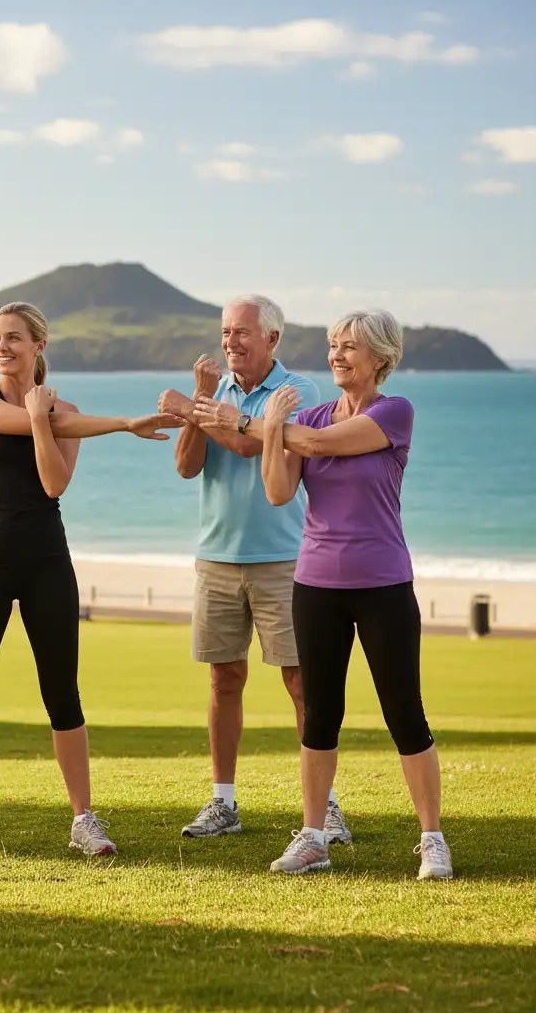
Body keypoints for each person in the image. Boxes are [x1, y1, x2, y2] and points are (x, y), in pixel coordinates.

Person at [0, 301, 184, 859]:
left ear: (39, 346)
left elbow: (53, 483)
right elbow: (42, 420)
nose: (1, 347)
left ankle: (83, 820)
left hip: (46, 562)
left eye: (14, 338)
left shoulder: (69, 413)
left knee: (63, 695)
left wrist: (47, 418)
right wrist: (106, 421)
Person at [193, 309, 452, 880]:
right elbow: (279, 489)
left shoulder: (393, 413)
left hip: (383, 584)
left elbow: (313, 441)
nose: (336, 356)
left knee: (403, 713)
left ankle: (432, 838)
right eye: (333, 346)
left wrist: (248, 422)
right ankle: (313, 838)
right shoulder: (304, 414)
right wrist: (269, 430)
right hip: (315, 586)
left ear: (380, 359)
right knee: (320, 717)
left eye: (349, 348)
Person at [159, 295, 352, 844]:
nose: (230, 342)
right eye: (225, 332)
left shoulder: (300, 392)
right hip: (216, 558)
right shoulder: (213, 393)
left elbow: (251, 445)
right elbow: (186, 465)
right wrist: (199, 401)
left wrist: (191, 406)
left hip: (285, 560)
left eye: (242, 332)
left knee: (300, 683)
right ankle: (223, 802)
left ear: (272, 339)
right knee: (224, 679)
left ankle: (326, 807)